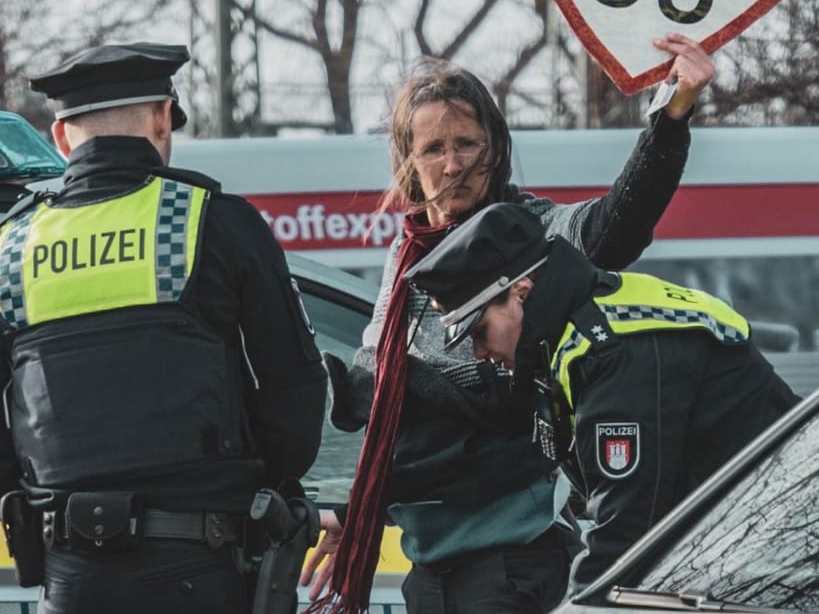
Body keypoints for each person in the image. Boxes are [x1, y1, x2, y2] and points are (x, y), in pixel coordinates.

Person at [302, 34, 715, 614]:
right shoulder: (406, 259)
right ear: (407, 163)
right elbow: (388, 408)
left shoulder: (531, 233)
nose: (452, 165)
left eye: (468, 143)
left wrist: (671, 118)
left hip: (511, 569)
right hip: (430, 569)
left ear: (495, 150)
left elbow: (615, 225)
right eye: (434, 148)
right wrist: (358, 511)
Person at [0, 42, 327, 614]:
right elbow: (295, 389)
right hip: (203, 565)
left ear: (60, 136)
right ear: (160, 118)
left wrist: (33, 508)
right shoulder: (211, 221)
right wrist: (256, 488)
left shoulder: (10, 248)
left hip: (73, 577)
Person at [409, 202, 800, 591]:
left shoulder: (613, 352)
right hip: (757, 542)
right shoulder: (573, 333)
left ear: (521, 293)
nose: (479, 353)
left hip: (787, 550)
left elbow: (627, 532)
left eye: (479, 332)